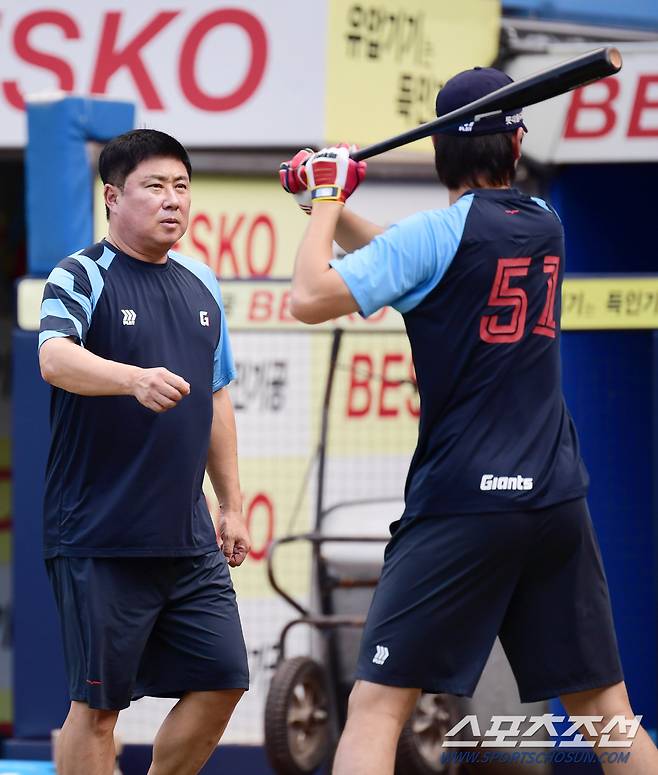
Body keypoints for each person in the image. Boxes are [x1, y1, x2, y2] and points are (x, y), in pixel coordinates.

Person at [279, 68, 658, 775]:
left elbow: (307, 296)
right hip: (554, 498)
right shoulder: (547, 223)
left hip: (463, 502)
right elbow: (417, 256)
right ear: (514, 148)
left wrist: (327, 194)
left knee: (376, 710)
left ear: (437, 155)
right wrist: (328, 204)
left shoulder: (434, 238)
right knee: (607, 715)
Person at [38, 129, 250, 775]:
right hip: (100, 535)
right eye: (154, 186)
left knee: (224, 680)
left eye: (181, 186)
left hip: (187, 540)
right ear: (112, 197)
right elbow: (53, 357)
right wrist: (131, 377)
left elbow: (214, 400)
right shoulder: (79, 274)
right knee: (97, 710)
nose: (172, 200)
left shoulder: (202, 285)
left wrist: (232, 504)